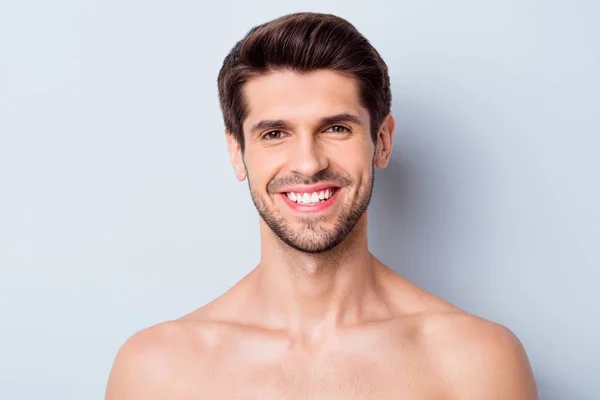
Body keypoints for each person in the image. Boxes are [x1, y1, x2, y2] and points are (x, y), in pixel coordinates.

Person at [105, 12, 538, 399]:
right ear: (237, 153)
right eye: (275, 133)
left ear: (382, 141)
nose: (309, 163)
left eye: (335, 128)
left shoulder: (477, 364)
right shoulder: (157, 372)